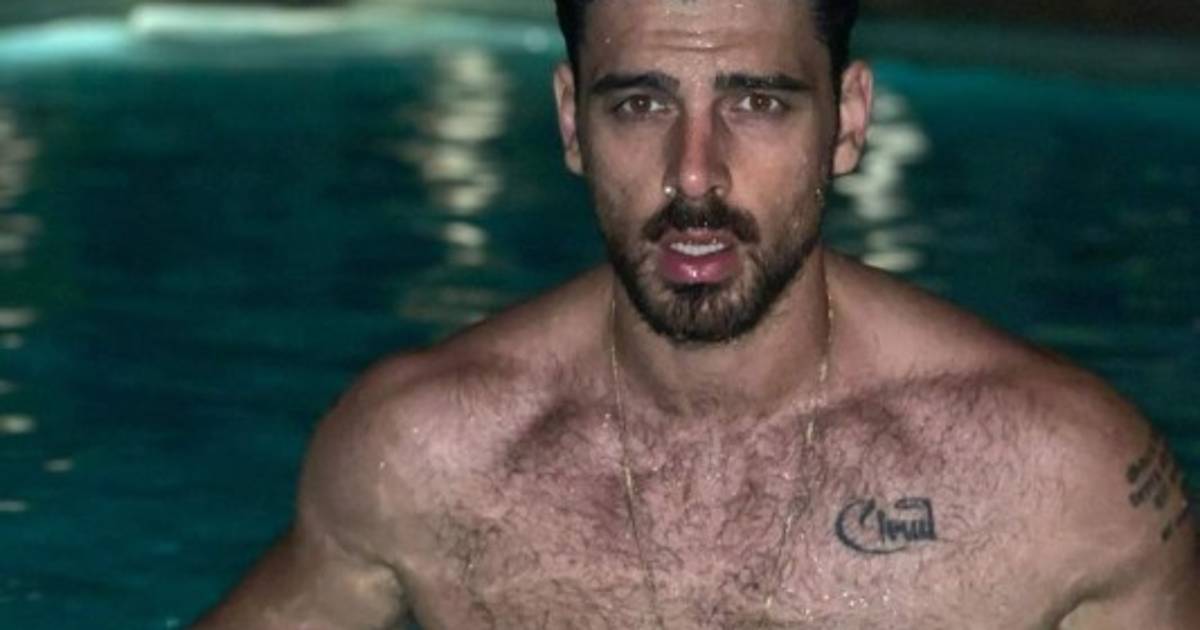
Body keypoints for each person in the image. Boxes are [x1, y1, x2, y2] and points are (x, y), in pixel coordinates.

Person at [195, 0, 1200, 627]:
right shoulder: (426, 455)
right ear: (570, 122)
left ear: (848, 122)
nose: (694, 175)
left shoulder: (1061, 478)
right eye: (640, 104)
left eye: (758, 103)